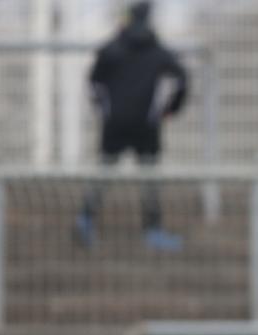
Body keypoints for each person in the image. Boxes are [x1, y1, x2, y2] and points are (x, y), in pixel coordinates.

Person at [74, 1, 188, 251]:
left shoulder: (112, 48)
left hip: (115, 124)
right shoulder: (158, 51)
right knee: (149, 180)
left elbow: (93, 81)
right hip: (145, 125)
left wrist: (103, 109)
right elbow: (181, 79)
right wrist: (171, 109)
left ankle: (85, 218)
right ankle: (153, 230)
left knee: (104, 174)